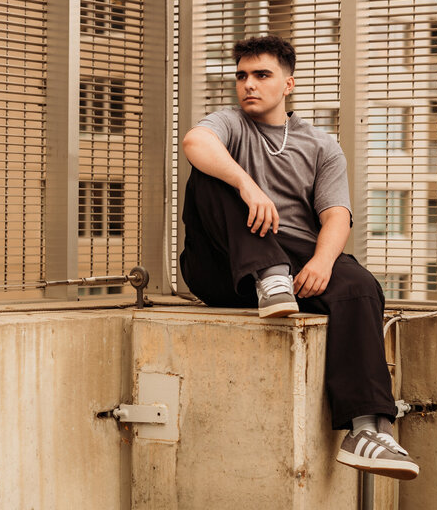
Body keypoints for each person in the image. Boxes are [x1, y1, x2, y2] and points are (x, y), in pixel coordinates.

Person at [179, 34, 418, 480]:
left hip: (294, 265)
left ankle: (366, 430)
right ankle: (268, 278)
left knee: (361, 287)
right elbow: (195, 142)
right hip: (221, 267)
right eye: (242, 76)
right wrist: (248, 185)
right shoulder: (229, 123)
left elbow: (337, 216)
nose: (249, 84)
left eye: (262, 75)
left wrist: (323, 264)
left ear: (288, 84)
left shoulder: (321, 146)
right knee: (212, 172)